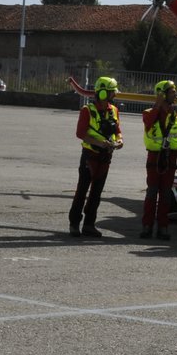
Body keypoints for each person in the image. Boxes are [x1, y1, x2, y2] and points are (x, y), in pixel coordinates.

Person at [69, 75, 124, 238]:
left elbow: (118, 130)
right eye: (112, 92)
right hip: (90, 155)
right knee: (82, 190)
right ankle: (74, 223)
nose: (114, 95)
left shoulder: (114, 110)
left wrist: (119, 141)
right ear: (102, 93)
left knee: (96, 192)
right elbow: (80, 133)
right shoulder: (87, 110)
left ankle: (89, 224)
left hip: (105, 156)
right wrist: (99, 143)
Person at [140, 79, 177, 240]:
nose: (175, 94)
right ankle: (147, 226)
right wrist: (157, 106)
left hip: (170, 160)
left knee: (166, 195)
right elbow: (149, 123)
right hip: (155, 158)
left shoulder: (175, 114)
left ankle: (163, 227)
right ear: (162, 94)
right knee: (152, 193)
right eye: (172, 92)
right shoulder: (149, 113)